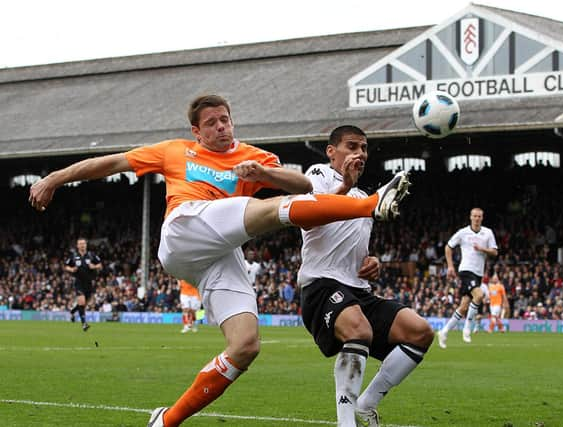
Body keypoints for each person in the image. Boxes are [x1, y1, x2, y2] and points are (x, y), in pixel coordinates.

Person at [28, 94, 411, 427]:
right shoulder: (174, 150)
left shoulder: (251, 155)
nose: (221, 127)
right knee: (267, 208)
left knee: (245, 345)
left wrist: (262, 171)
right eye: (211, 123)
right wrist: (53, 179)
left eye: (225, 119)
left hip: (218, 254)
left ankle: (167, 419)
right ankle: (372, 203)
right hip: (184, 228)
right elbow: (110, 164)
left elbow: (303, 187)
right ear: (196, 131)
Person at [298, 125, 433, 427]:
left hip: (357, 288)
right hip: (321, 284)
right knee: (358, 330)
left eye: (364, 148)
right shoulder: (317, 176)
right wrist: (344, 186)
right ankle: (346, 423)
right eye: (352, 146)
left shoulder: (364, 199)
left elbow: (355, 250)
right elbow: (309, 220)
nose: (359, 153)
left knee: (420, 332)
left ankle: (367, 402)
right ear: (331, 151)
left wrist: (372, 262)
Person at [437, 208, 497, 347]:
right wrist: (450, 266)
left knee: (464, 307)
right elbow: (448, 247)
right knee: (479, 294)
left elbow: (494, 252)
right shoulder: (463, 232)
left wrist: (483, 249)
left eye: (479, 216)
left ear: (482, 218)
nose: (476, 218)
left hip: (478, 273)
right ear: (470, 217)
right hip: (465, 270)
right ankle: (467, 328)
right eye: (474, 216)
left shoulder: (487, 233)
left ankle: (444, 331)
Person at [65, 237, 102, 331]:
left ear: (86, 245)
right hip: (79, 282)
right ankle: (84, 324)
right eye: (80, 244)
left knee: (83, 304)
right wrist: (72, 269)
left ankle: (72, 312)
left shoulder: (91, 255)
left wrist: (94, 266)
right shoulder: (73, 256)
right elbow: (66, 266)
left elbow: (100, 265)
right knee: (81, 301)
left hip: (89, 282)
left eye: (83, 243)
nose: (82, 245)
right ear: (77, 246)